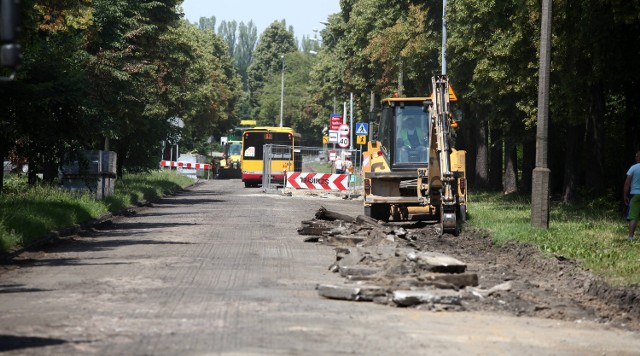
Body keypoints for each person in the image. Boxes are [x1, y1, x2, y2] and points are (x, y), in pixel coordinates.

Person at [624, 151, 640, 241]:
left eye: (636, 156)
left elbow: (627, 183)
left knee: (633, 216)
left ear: (638, 157)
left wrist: (625, 195)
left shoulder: (633, 168)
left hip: (635, 194)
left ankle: (630, 237)